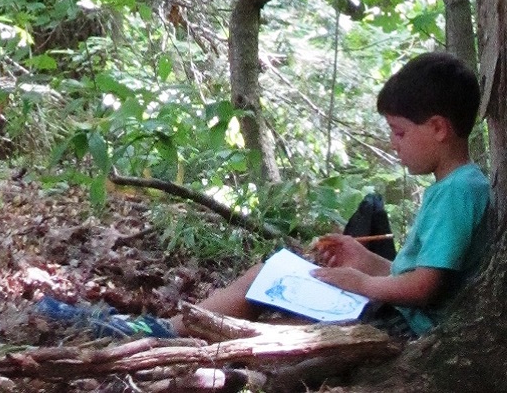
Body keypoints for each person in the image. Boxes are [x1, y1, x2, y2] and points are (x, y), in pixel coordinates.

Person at [38, 51, 490, 342]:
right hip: (395, 312)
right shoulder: (451, 188)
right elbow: (416, 272)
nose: (394, 143)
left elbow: (428, 287)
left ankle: (160, 335)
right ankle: (163, 330)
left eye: (399, 132)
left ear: (437, 128)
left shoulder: (459, 192)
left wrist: (366, 285)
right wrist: (362, 259)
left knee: (274, 302)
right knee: (270, 270)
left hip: (403, 328)